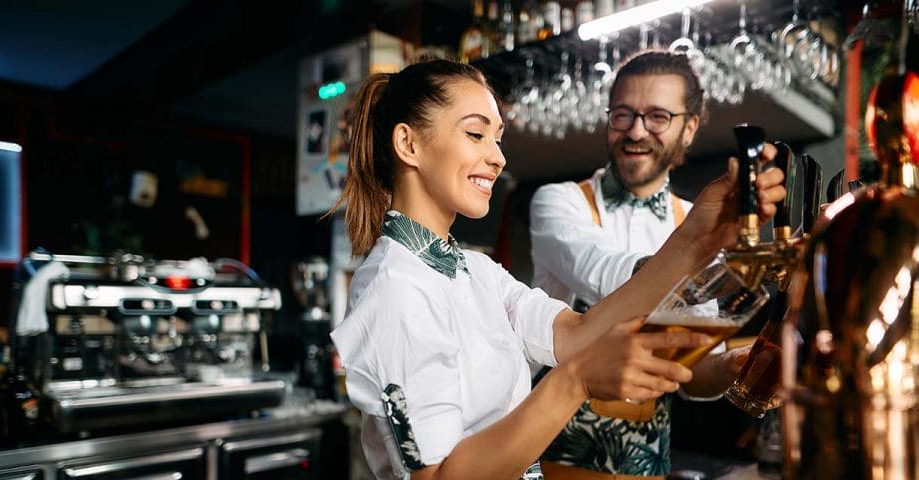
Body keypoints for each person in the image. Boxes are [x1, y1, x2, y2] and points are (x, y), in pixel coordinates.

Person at [329, 59, 783, 480]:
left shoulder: (474, 270)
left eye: (498, 138)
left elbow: (576, 333)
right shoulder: (395, 287)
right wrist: (577, 380)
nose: (498, 157)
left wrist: (696, 240)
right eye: (475, 134)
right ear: (409, 144)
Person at [529, 50, 751, 478]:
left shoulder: (695, 221)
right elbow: (605, 274)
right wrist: (698, 258)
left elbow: (693, 371)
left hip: (647, 459)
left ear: (688, 130)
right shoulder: (560, 202)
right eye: (623, 115)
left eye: (657, 117)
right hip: (550, 444)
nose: (635, 131)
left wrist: (731, 368)